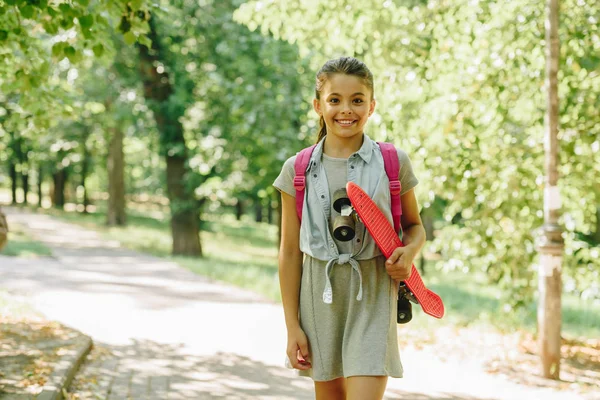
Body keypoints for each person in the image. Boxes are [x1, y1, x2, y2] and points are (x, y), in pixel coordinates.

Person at [273, 56, 426, 400]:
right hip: (318, 297)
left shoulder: (393, 163)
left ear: (371, 106)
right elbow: (288, 252)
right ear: (318, 105)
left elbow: (415, 227)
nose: (347, 109)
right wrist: (291, 326)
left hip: (372, 293)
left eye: (357, 100)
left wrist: (409, 251)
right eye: (335, 100)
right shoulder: (296, 170)